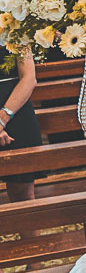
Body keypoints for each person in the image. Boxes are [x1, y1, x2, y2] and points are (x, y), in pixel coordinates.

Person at [0, 52, 40, 202]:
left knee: (23, 194)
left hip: (15, 108)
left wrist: (2, 119)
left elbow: (29, 78)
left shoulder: (17, 36)